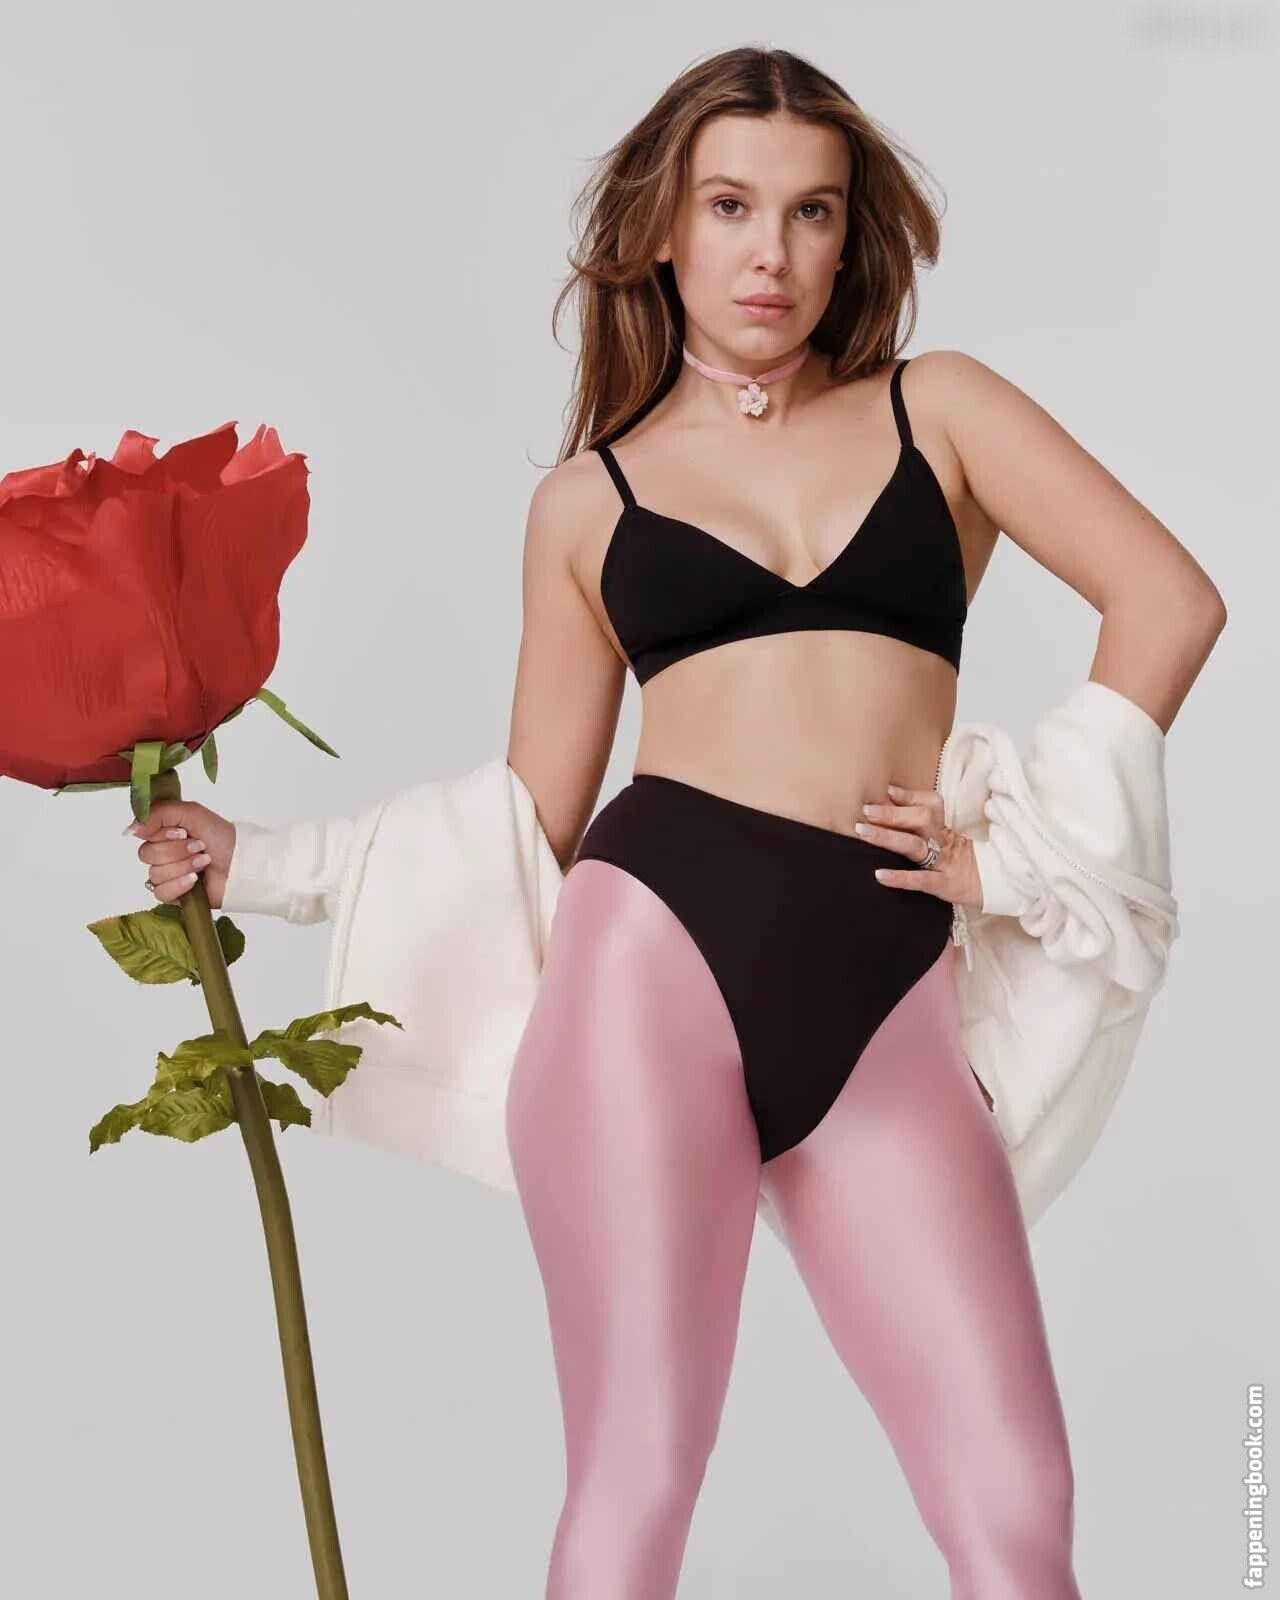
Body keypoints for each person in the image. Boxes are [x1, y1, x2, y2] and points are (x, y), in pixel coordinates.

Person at [127, 46, 1225, 1599]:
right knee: (639, 1474)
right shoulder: (591, 501)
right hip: (652, 960)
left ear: (848, 238)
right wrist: (270, 865)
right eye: (730, 206)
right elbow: (529, 812)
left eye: (811, 212)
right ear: (663, 229)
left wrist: (1022, 857)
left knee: (1014, 1503)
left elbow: (1169, 603)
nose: (771, 251)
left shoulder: (943, 410)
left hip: (884, 993)